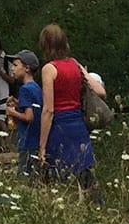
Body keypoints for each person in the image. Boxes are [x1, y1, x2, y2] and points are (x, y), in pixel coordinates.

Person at [36, 23, 98, 190]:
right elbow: (99, 90)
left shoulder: (49, 69)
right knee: (84, 174)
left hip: (60, 126)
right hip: (78, 125)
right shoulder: (74, 64)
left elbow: (48, 110)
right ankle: (94, 207)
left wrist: (41, 147)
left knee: (58, 175)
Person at [4, 50, 43, 176]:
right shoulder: (36, 88)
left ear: (27, 68)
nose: (12, 69)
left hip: (27, 143)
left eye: (15, 65)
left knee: (25, 180)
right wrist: (17, 103)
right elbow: (33, 109)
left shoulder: (24, 89)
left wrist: (12, 112)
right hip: (37, 142)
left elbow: (28, 117)